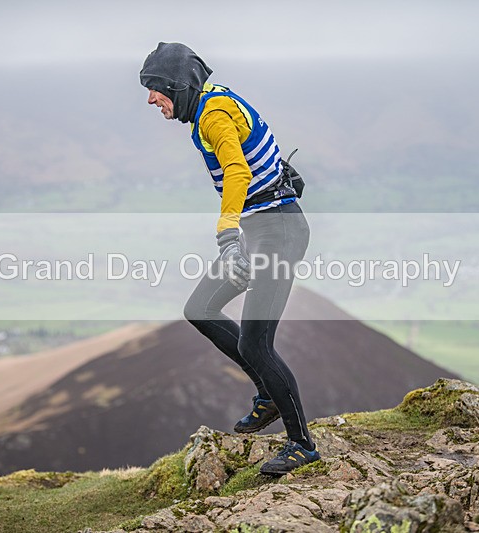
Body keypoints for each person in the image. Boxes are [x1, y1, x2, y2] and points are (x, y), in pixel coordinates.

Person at [140, 42, 319, 475]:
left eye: (155, 90)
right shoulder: (214, 103)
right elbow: (258, 156)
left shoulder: (214, 115)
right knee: (199, 309)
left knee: (255, 343)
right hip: (264, 229)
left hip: (275, 234)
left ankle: (302, 445)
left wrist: (226, 237)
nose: (150, 100)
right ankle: (267, 397)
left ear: (179, 86)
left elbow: (237, 170)